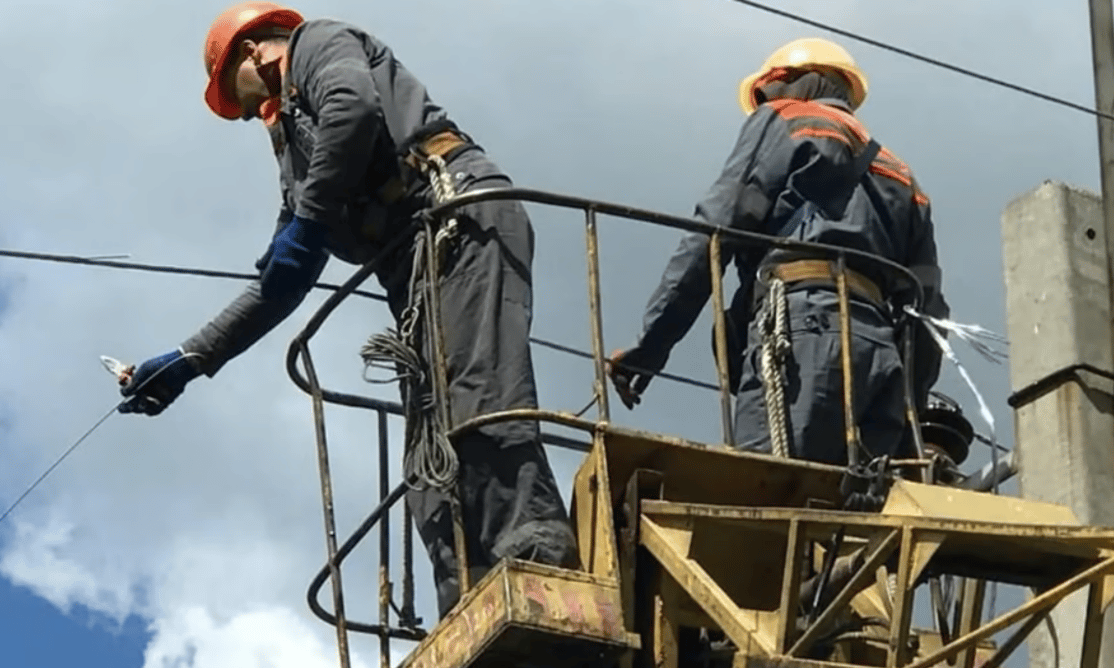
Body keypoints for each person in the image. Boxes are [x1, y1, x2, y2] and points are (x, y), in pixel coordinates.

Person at [117, 1, 578, 619]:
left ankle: (536, 556)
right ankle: (467, 600)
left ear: (253, 51)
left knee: (478, 398)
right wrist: (189, 359)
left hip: (462, 222)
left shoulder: (319, 45)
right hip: (417, 274)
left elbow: (353, 110)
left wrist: (308, 223)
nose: (253, 114)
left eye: (242, 97)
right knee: (427, 463)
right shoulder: (300, 165)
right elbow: (279, 285)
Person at [608, 38, 949, 467]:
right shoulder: (903, 176)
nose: (765, 103)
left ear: (799, 81)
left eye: (769, 91)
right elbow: (930, 312)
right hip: (881, 360)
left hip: (801, 333)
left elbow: (715, 229)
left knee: (765, 493)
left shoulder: (787, 119)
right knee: (854, 522)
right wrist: (907, 410)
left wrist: (650, 347)